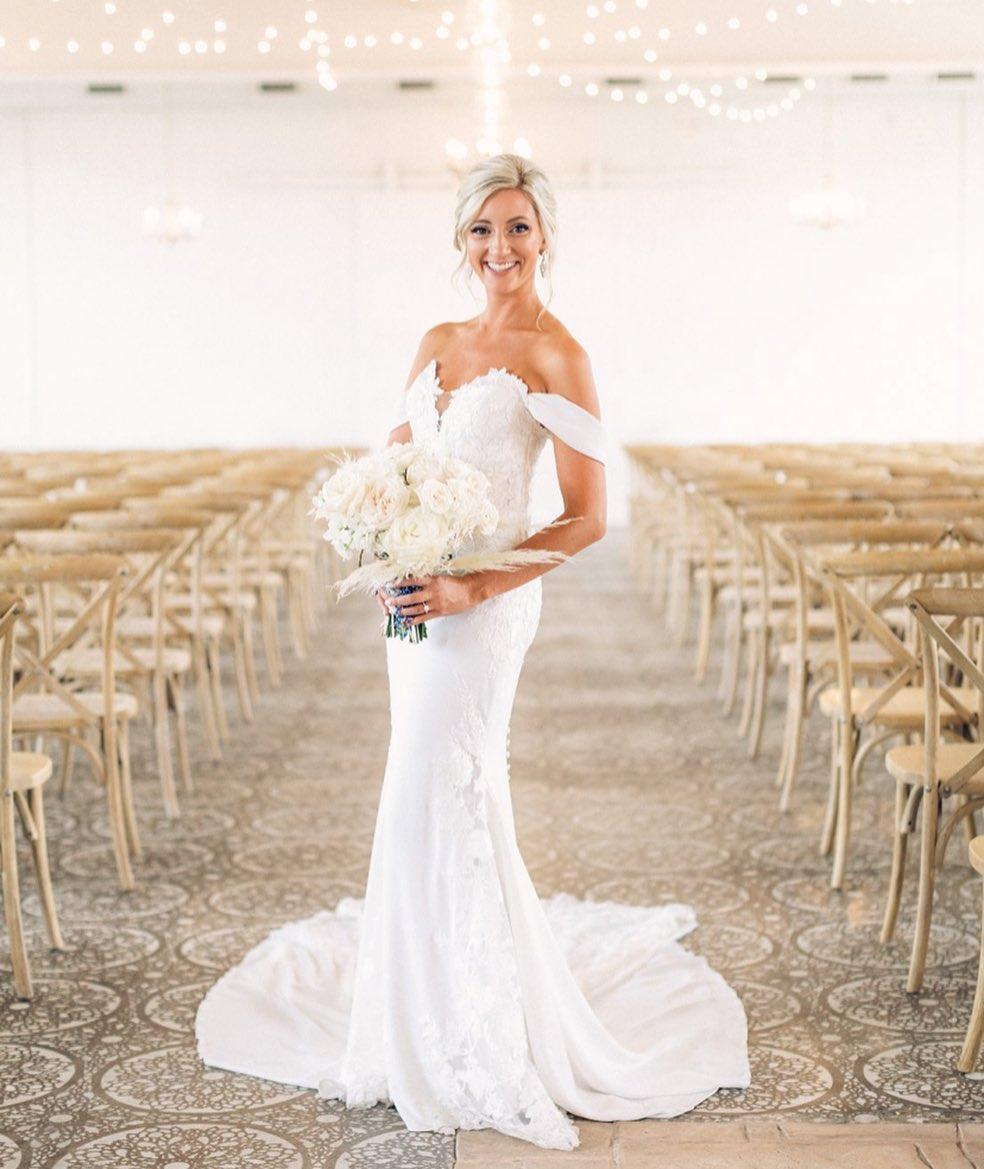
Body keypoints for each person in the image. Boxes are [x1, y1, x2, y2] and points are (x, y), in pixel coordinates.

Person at [196, 153, 750, 1152]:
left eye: (518, 227)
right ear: (462, 240)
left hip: (486, 607)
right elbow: (397, 463)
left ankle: (475, 1034)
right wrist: (381, 545)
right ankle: (416, 1008)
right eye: (483, 229)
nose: (500, 247)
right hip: (414, 597)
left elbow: (587, 515)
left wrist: (474, 584)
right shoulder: (437, 341)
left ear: (545, 237)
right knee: (415, 792)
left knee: (444, 784)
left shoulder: (558, 353)